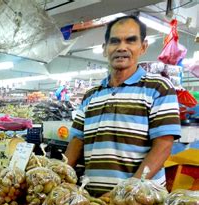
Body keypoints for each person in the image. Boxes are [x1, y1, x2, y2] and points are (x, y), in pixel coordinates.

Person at [65, 15, 181, 194]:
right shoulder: (91, 95)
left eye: (130, 40)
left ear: (143, 47)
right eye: (114, 41)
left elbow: (163, 145)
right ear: (105, 49)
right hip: (94, 202)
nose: (121, 48)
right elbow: (77, 141)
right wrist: (59, 175)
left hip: (141, 201)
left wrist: (129, 189)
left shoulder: (159, 88)